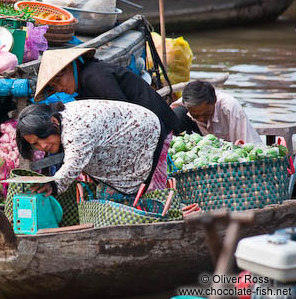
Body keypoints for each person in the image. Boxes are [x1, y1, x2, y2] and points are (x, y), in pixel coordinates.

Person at [34, 48, 180, 190]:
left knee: (153, 180)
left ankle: (160, 207)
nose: (59, 88)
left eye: (58, 82)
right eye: (54, 87)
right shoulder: (84, 85)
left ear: (69, 70)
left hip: (155, 123)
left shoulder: (94, 77)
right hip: (147, 127)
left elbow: (122, 115)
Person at [16, 100, 161, 199]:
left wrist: (54, 184)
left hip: (145, 137)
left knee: (132, 197)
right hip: (135, 134)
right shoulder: (62, 121)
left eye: (42, 137)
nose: (43, 146)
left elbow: (75, 161)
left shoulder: (77, 129)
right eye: (35, 144)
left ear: (53, 123)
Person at [171, 80, 262, 144]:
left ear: (214, 101)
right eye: (195, 116)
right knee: (177, 115)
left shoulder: (229, 107)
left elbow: (248, 142)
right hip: (197, 149)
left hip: (226, 156)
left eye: (205, 114)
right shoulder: (179, 109)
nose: (201, 119)